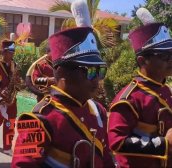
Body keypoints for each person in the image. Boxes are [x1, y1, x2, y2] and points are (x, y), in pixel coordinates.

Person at [11, 0, 114, 167]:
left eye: (100, 70)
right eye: (89, 71)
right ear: (62, 72)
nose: (96, 78)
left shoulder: (99, 111)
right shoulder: (39, 118)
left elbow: (106, 158)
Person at [108, 8, 172, 168]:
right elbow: (116, 141)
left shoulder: (164, 89)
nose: (171, 60)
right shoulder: (129, 98)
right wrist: (163, 144)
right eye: (165, 57)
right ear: (143, 61)